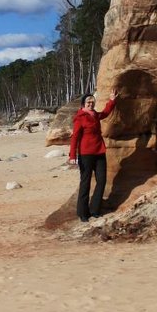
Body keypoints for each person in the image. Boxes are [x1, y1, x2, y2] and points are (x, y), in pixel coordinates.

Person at [68, 88, 117, 222]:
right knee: (85, 183)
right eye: (88, 102)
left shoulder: (94, 114)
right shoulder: (80, 118)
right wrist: (72, 156)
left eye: (92, 102)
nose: (91, 104)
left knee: (101, 181)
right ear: (83, 104)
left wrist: (112, 100)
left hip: (99, 151)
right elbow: (75, 138)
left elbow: (105, 113)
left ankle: (95, 209)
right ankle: (82, 213)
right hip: (86, 154)